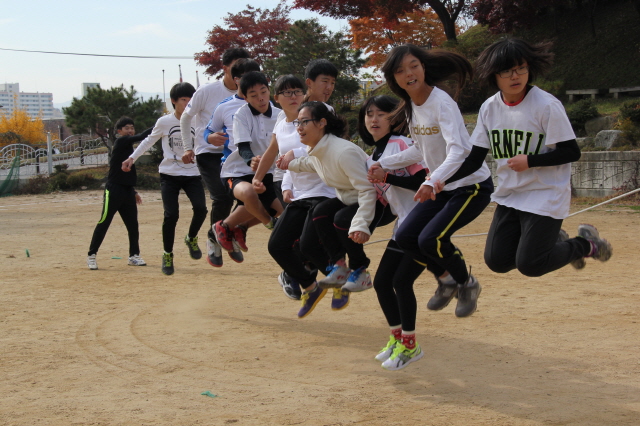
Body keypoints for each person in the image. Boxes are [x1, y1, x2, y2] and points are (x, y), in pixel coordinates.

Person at [443, 38, 612, 278]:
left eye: (521, 68)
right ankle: (552, 241)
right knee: (497, 261)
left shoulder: (546, 105)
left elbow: (571, 152)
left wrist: (530, 161)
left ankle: (585, 245)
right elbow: (474, 159)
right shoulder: (489, 108)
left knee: (531, 264)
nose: (515, 76)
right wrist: (440, 180)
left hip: (545, 192)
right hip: (511, 193)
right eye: (507, 71)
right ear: (493, 75)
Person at [370, 44, 494, 319]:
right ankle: (447, 279)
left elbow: (460, 150)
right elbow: (419, 149)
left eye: (414, 65)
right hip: (442, 185)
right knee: (405, 236)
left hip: (470, 187)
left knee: (432, 238)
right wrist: (382, 163)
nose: (409, 73)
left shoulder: (442, 103)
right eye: (401, 70)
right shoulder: (413, 105)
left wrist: (432, 180)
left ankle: (466, 284)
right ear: (394, 79)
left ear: (424, 68)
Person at [278, 101, 377, 318]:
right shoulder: (319, 150)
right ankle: (339, 268)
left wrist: (362, 223)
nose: (299, 127)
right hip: (349, 197)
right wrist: (287, 165)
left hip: (370, 200)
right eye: (298, 122)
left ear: (322, 123)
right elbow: (311, 164)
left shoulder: (342, 152)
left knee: (340, 218)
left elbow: (368, 190)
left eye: (305, 122)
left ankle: (360, 271)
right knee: (317, 222)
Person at [253, 75, 339, 308]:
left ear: (304, 93)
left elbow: (329, 145)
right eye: (286, 93)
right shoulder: (281, 123)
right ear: (276, 98)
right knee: (277, 245)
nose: (293, 97)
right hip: (300, 195)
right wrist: (266, 181)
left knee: (309, 244)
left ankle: (343, 278)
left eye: (297, 92)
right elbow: (279, 155)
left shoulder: (315, 116)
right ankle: (310, 286)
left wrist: (296, 154)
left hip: (325, 192)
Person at [360, 95, 429, 370]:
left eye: (381, 114)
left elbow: (424, 181)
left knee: (401, 282)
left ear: (395, 118)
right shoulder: (371, 157)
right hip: (404, 225)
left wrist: (386, 176)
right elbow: (381, 202)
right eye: (369, 114)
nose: (374, 119)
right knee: (382, 282)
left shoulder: (401, 145)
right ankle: (397, 338)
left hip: (425, 223)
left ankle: (411, 346)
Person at [122, 82, 207, 275]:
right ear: (174, 102)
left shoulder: (197, 121)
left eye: (191, 100)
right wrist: (132, 158)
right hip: (169, 174)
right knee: (171, 215)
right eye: (184, 100)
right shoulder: (164, 122)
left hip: (192, 174)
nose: (187, 104)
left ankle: (191, 238)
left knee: (201, 209)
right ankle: (167, 254)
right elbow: (148, 141)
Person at [179, 47, 250, 266]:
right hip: (208, 153)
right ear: (225, 68)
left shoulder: (250, 93)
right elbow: (185, 117)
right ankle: (214, 239)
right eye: (236, 66)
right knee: (221, 197)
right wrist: (188, 147)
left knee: (248, 198)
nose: (241, 71)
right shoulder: (207, 91)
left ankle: (233, 234)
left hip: (237, 155)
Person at [212, 71, 284, 255]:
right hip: (237, 171)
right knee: (250, 193)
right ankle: (269, 224)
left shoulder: (280, 115)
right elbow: (243, 146)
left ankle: (236, 227)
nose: (261, 98)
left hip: (268, 173)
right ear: (245, 97)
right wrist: (250, 159)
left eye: (263, 92)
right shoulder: (241, 115)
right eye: (254, 95)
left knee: (284, 210)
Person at [202, 58, 261, 266]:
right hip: (234, 167)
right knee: (226, 201)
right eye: (248, 78)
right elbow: (207, 130)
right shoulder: (225, 107)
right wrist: (210, 137)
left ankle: (234, 230)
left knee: (267, 202)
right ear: (237, 80)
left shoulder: (266, 104)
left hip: (261, 167)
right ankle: (215, 239)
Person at [86, 116, 152, 270]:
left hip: (128, 190)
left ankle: (134, 256)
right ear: (119, 131)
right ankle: (92, 255)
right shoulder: (121, 141)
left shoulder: (130, 149)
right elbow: (142, 136)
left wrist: (134, 191)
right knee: (104, 222)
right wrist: (161, 123)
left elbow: (127, 172)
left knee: (133, 225)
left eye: (132, 128)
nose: (130, 131)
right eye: (127, 128)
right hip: (114, 189)